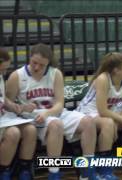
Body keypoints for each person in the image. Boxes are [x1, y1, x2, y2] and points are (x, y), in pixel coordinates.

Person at [6, 43, 97, 180]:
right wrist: (22, 108)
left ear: (48, 63)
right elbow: (7, 105)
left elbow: (60, 103)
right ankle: (54, 173)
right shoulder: (17, 76)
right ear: (29, 58)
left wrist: (47, 113)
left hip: (53, 112)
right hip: (32, 118)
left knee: (88, 122)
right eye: (34, 62)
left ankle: (87, 170)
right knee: (56, 125)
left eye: (42, 65)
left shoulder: (56, 74)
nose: (37, 67)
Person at [77, 52, 122, 179]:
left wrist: (121, 120)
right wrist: (121, 121)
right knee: (109, 123)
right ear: (116, 70)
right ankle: (105, 169)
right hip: (89, 112)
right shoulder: (103, 79)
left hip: (111, 113)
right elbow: (102, 110)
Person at [0, 48, 37, 180]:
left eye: (5, 70)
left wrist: (19, 107)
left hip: (3, 117)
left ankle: (24, 170)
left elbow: (3, 100)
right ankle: (3, 171)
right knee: (13, 133)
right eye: (2, 69)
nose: (3, 73)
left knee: (30, 130)